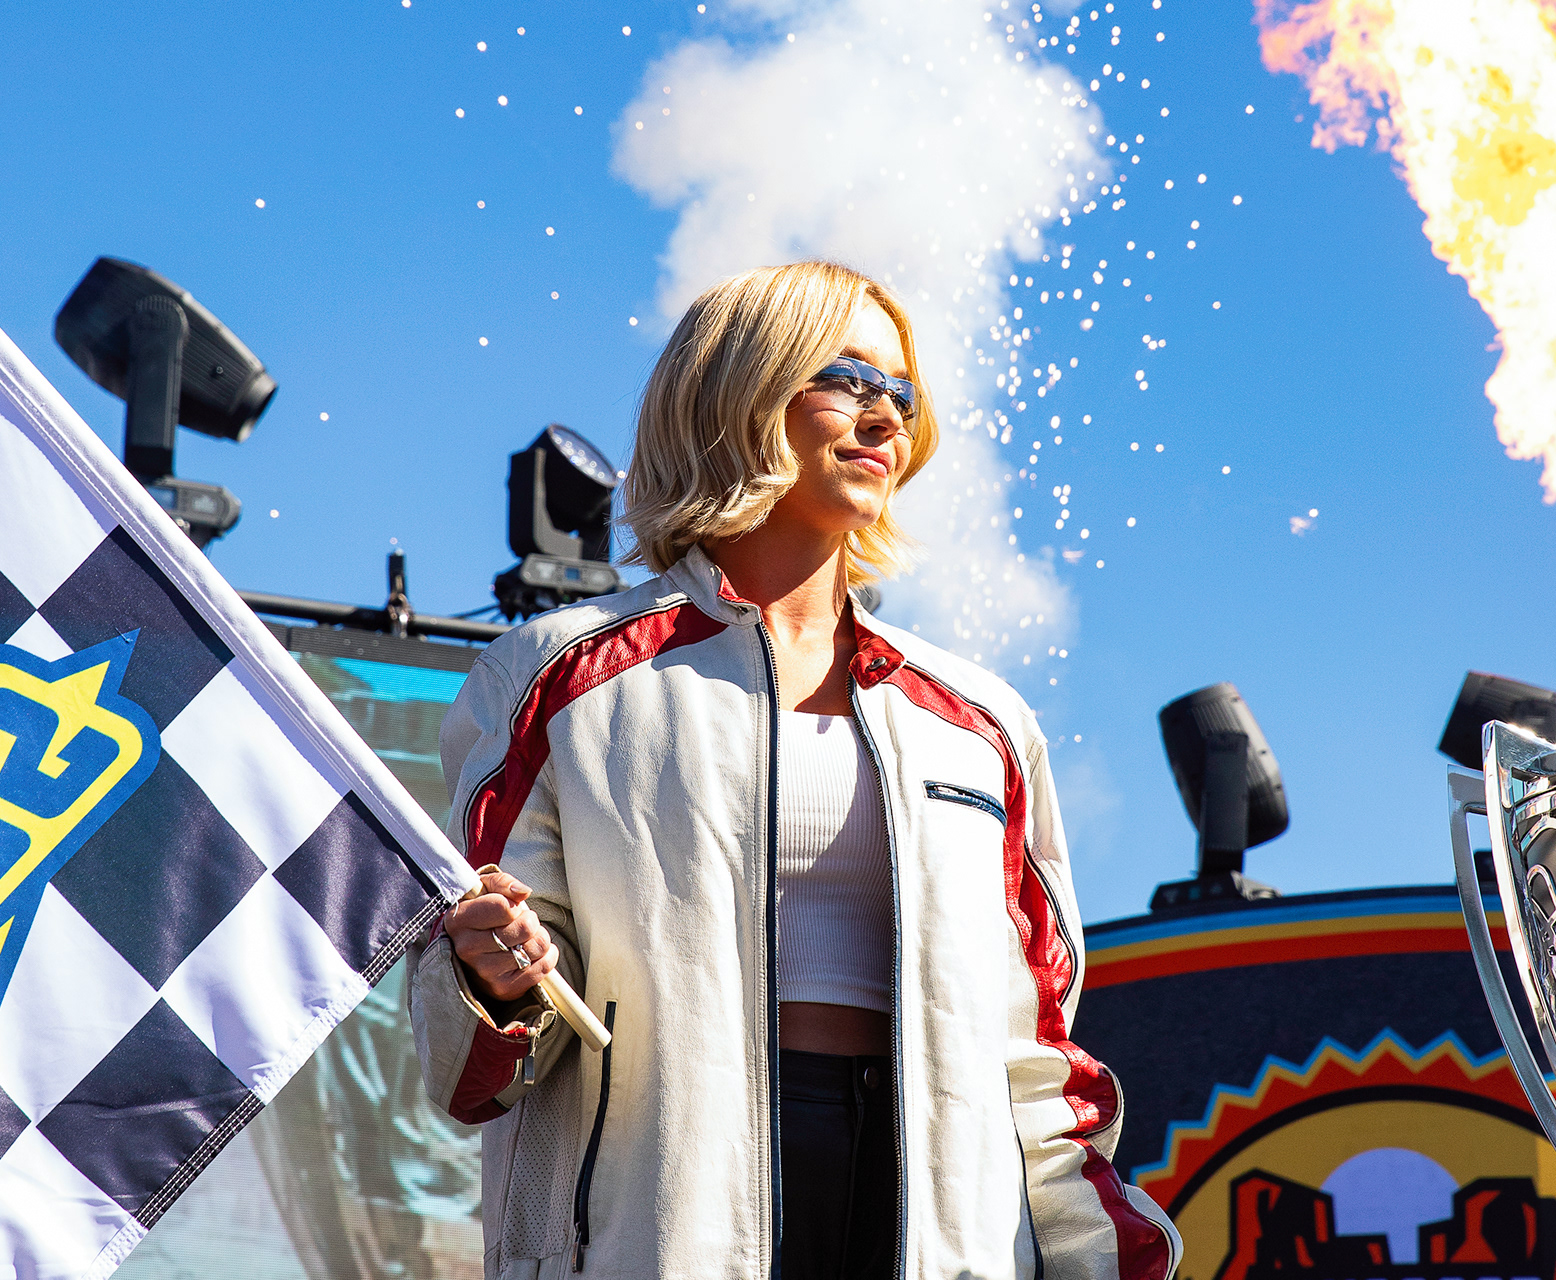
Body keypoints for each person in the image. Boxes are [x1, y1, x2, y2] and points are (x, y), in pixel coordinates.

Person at [408, 260, 1180, 1280]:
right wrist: (488, 976)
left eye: (901, 395)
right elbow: (472, 1069)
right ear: (738, 387)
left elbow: (1035, 1063)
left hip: (944, 1228)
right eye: (850, 380)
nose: (885, 419)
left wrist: (1104, 1256)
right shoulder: (560, 674)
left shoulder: (983, 723)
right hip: (660, 1231)